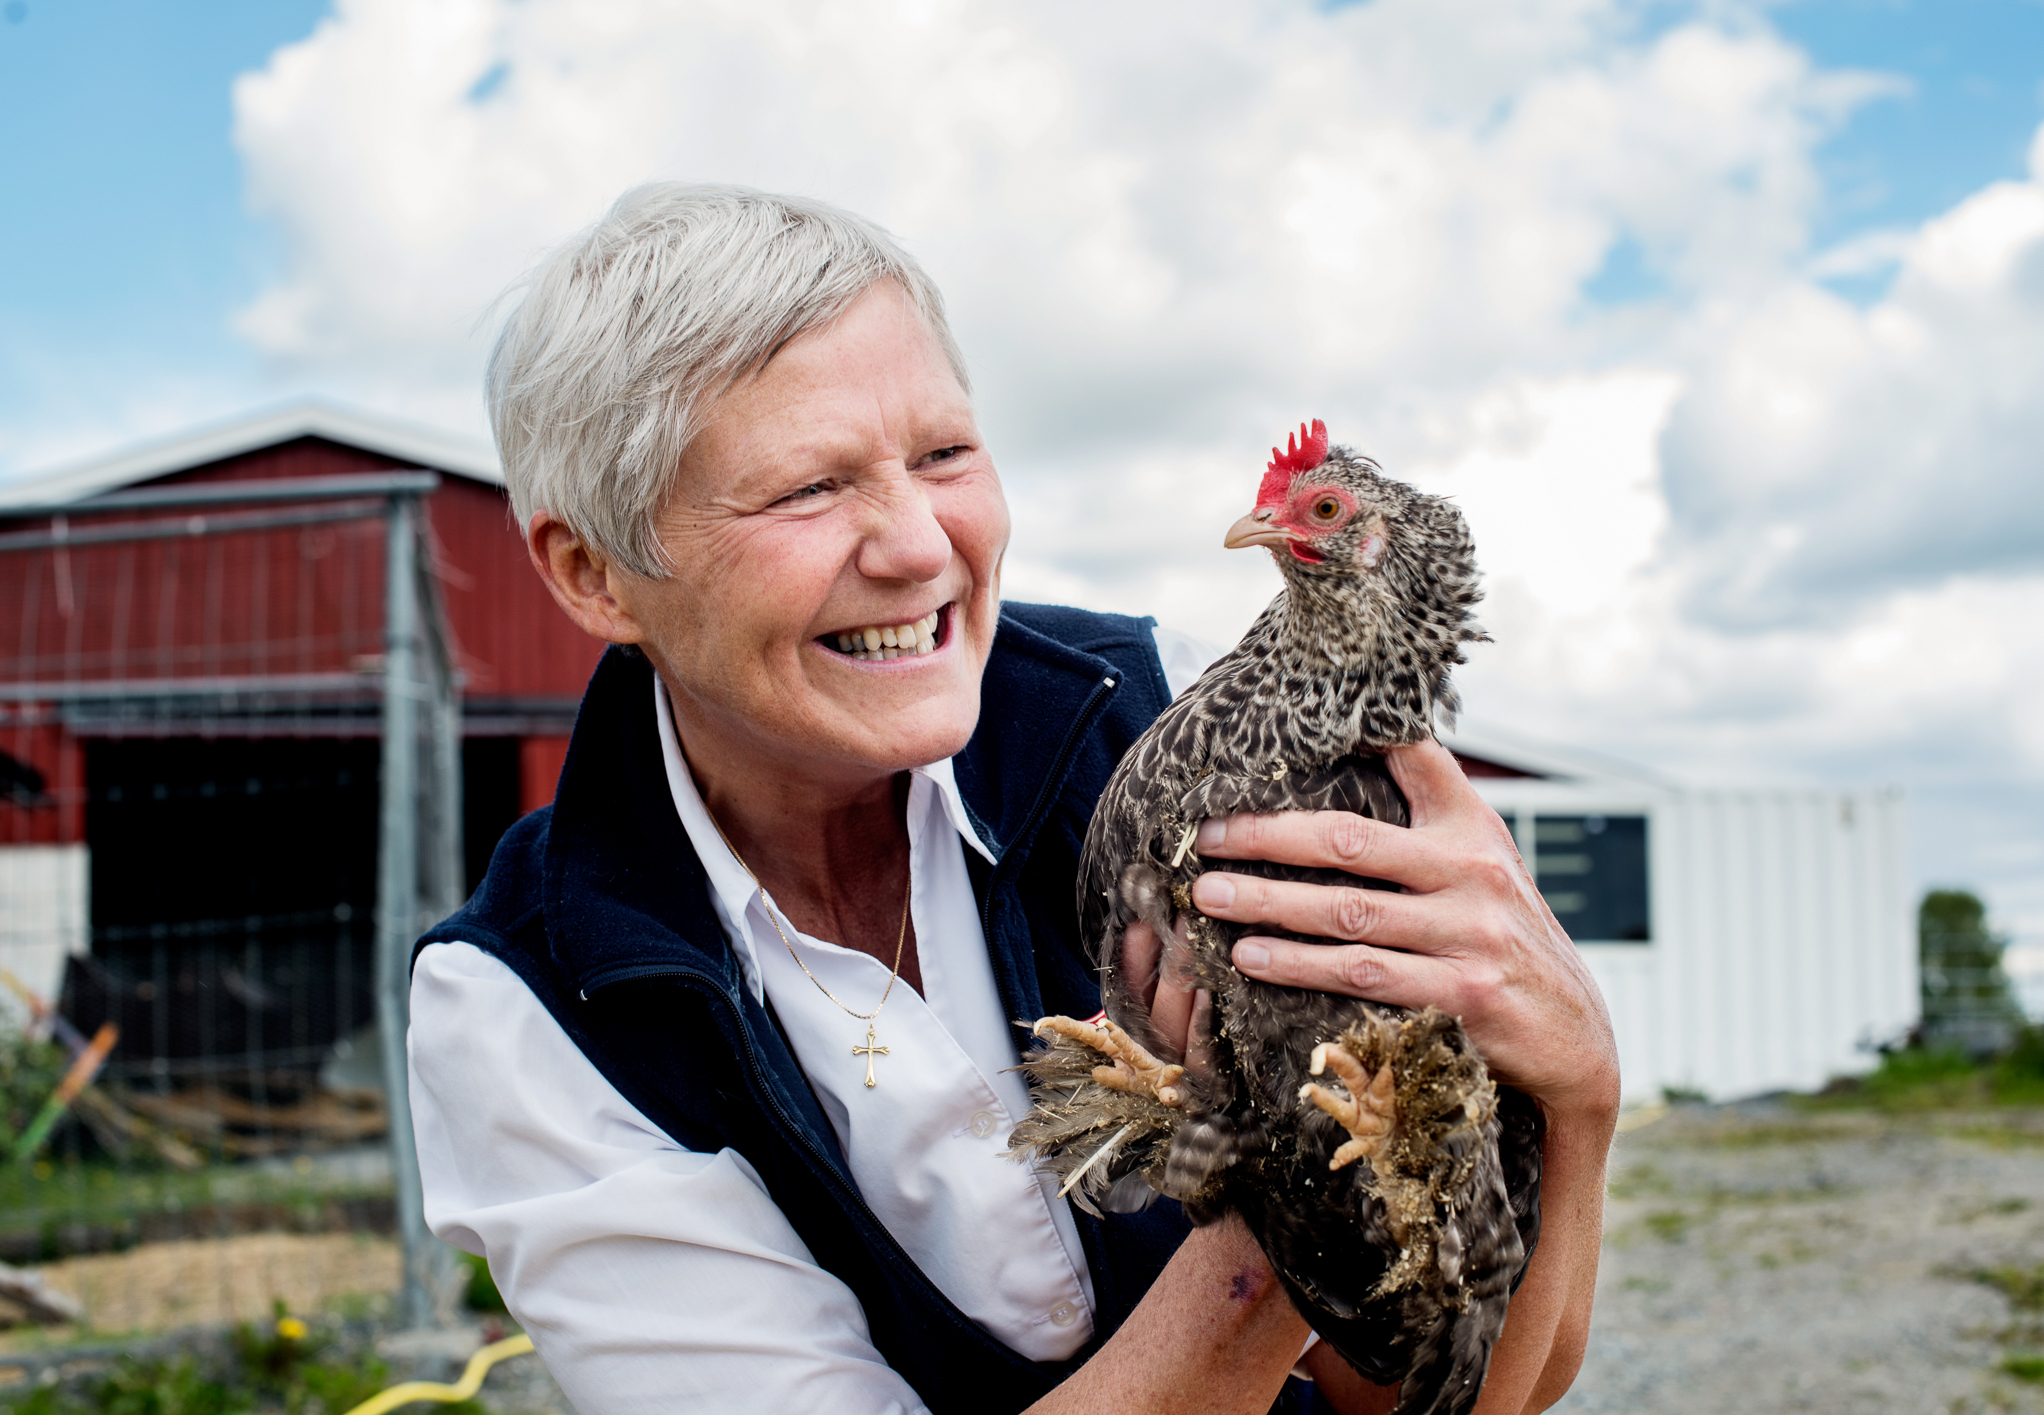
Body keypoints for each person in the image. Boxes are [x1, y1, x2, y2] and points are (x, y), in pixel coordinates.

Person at [407, 183, 1619, 1415]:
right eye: (806, 489)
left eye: (943, 454)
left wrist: (1574, 1088)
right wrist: (1290, 1182)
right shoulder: (526, 1009)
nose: (918, 546)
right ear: (593, 573)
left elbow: (1445, 1389)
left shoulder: (1166, 715)